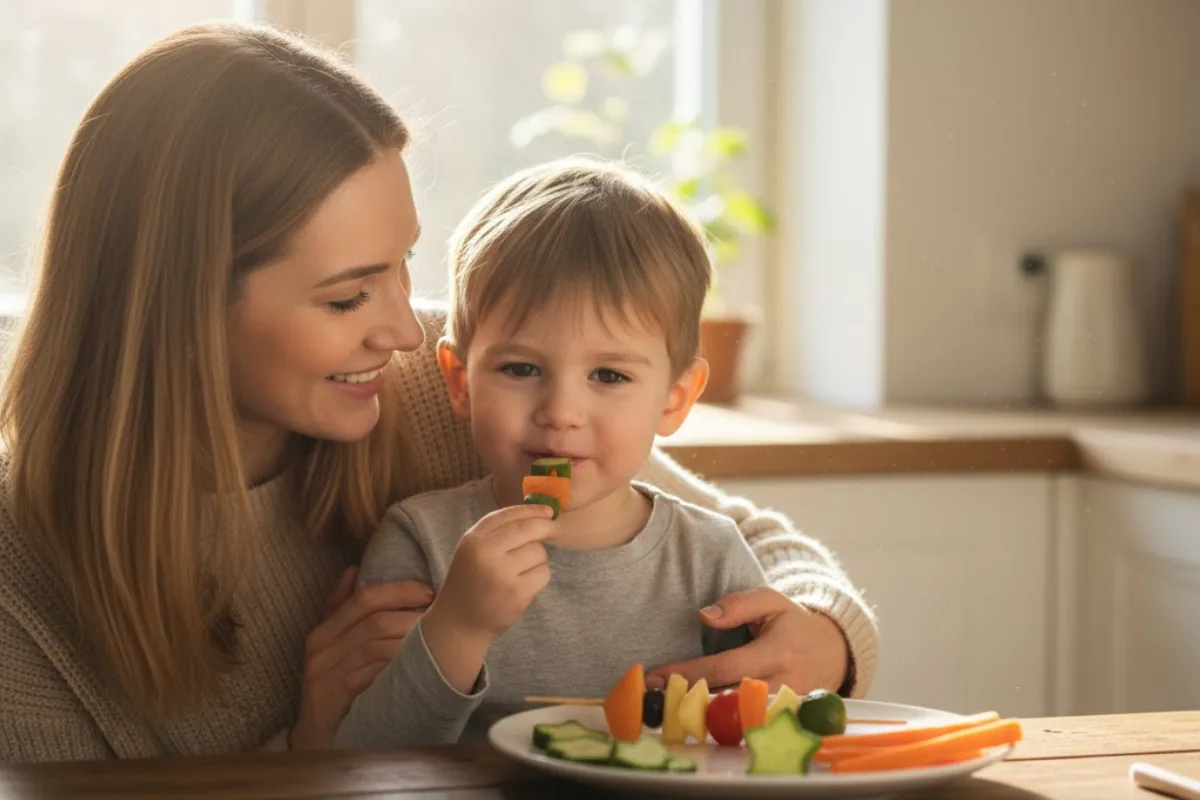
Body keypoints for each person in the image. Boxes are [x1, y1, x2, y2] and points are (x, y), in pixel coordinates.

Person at [0, 21, 876, 763]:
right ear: (180, 305)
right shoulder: (21, 582)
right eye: (348, 295)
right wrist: (312, 749)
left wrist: (822, 642)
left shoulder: (443, 385)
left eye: (403, 264)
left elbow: (755, 545)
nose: (406, 330)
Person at [335, 158, 771, 747]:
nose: (560, 410)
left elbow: (751, 741)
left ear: (675, 399)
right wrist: (457, 627)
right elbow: (368, 755)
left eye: (609, 376)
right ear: (460, 382)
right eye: (521, 368)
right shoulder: (422, 540)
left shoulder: (712, 557)